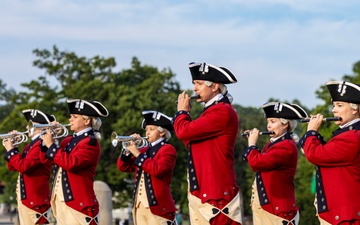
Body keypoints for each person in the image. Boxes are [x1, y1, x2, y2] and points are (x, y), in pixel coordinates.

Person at [173, 62, 242, 225]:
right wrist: (182, 121)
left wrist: (182, 113)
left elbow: (183, 132)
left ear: (214, 86)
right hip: (203, 193)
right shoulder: (210, 112)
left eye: (199, 83)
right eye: (194, 84)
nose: (195, 89)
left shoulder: (222, 111)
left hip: (215, 195)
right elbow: (190, 142)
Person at [299, 80, 360, 225]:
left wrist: (312, 131)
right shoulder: (345, 135)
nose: (334, 110)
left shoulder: (352, 137)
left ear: (354, 109)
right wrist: (312, 133)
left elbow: (314, 154)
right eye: (333, 106)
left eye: (339, 105)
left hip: (346, 216)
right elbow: (314, 149)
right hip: (339, 214)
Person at [40, 99, 109, 225]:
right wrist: (49, 140)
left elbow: (71, 163)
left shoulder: (90, 142)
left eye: (74, 117)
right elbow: (45, 160)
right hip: (61, 202)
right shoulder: (67, 141)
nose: (70, 119)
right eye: (71, 116)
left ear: (87, 120)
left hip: (78, 206)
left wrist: (51, 145)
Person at [242, 102, 308, 225]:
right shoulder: (274, 143)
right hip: (267, 208)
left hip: (278, 211)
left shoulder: (286, 146)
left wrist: (252, 145)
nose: (268, 126)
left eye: (273, 122)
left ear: (285, 124)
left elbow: (257, 163)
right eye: (268, 122)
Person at [117, 110, 177, 225]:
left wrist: (137, 153)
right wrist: (127, 150)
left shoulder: (168, 149)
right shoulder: (143, 151)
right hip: (139, 206)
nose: (147, 133)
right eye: (146, 130)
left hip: (158, 207)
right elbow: (122, 167)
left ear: (162, 132)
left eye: (151, 129)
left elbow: (158, 170)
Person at [3, 109, 55, 224]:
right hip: (27, 201)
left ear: (41, 128)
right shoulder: (29, 146)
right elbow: (13, 166)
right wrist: (14, 147)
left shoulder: (40, 144)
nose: (27, 128)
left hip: (36, 203)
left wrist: (10, 150)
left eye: (31, 125)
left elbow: (23, 166)